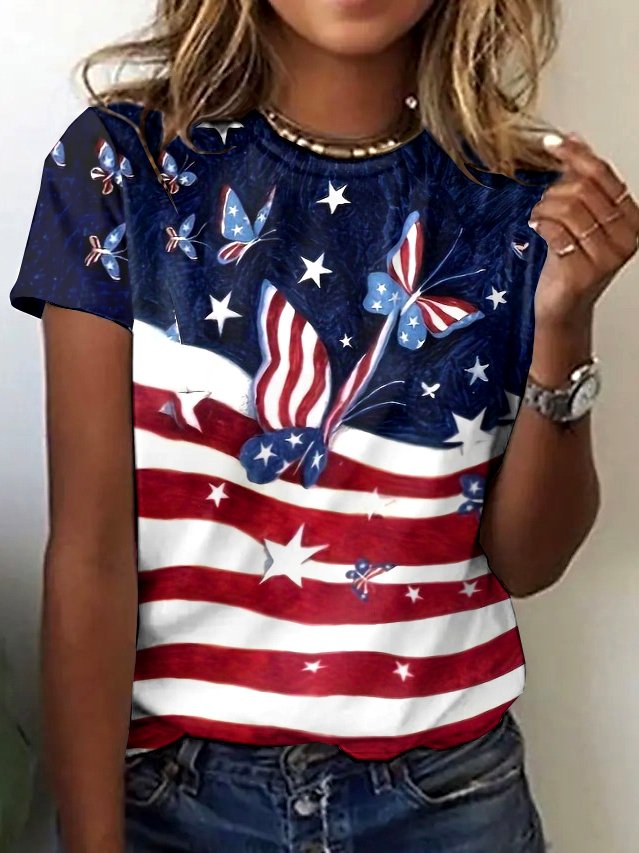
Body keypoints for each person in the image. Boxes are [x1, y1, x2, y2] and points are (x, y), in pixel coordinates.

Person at [8, 1, 639, 851]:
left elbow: (529, 560)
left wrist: (564, 323)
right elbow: (88, 555)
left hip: (447, 797)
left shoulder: (524, 200)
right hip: (175, 796)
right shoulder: (122, 164)